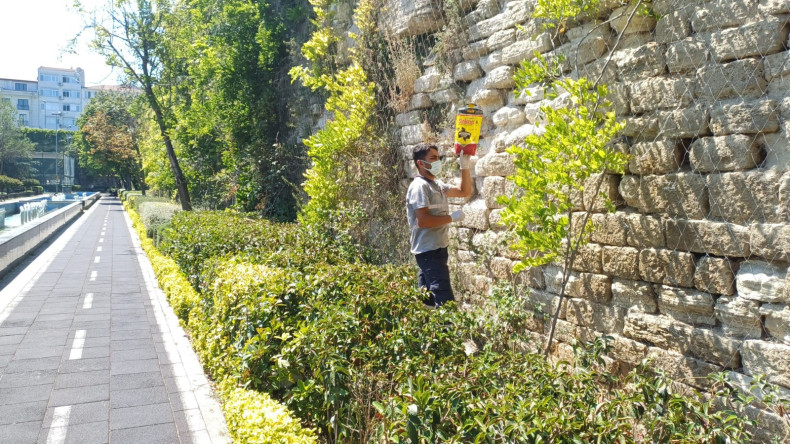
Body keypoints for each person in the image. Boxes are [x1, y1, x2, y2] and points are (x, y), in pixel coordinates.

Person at [406, 144, 472, 308]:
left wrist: (464, 166)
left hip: (437, 247)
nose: (438, 161)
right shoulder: (420, 187)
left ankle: (426, 328)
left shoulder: (437, 185)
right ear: (421, 163)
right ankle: (448, 330)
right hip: (428, 250)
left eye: (438, 158)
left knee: (426, 298)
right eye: (433, 158)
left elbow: (464, 191)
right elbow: (423, 221)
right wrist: (451, 217)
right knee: (444, 297)